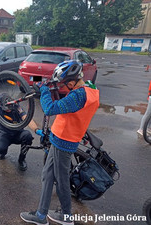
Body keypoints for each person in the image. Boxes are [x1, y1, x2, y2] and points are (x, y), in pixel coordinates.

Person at [20, 60, 100, 225]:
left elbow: (50, 109)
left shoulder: (78, 96)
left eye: (65, 84)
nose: (63, 86)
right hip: (61, 139)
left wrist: (44, 91)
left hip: (64, 141)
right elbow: (76, 114)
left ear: (72, 82)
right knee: (47, 176)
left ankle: (66, 215)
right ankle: (41, 215)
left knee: (62, 180)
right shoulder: (90, 90)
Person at [0, 93, 43, 171]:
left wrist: (36, 129)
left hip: (17, 133)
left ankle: (21, 159)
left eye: (9, 107)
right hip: (4, 134)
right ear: (0, 105)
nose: (8, 109)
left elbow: (27, 119)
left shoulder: (16, 106)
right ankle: (2, 152)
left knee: (27, 135)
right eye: (6, 108)